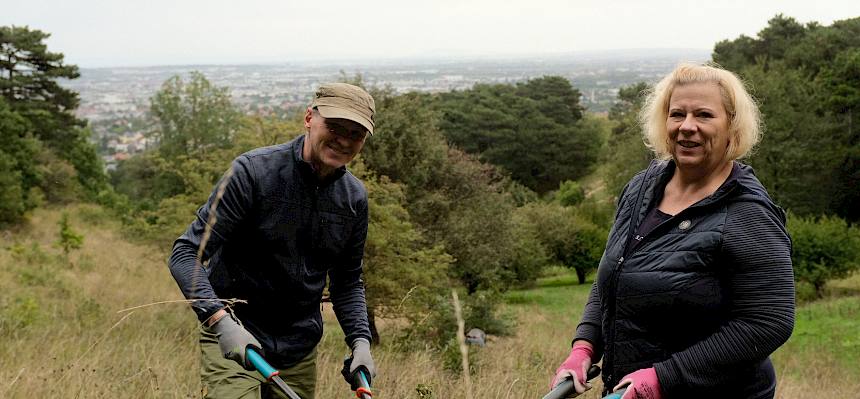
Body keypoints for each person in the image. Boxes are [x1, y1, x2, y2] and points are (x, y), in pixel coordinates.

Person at [550, 63, 795, 399]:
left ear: (732, 127)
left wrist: (664, 378)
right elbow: (615, 275)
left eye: (704, 115)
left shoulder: (747, 213)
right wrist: (584, 347)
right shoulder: (641, 189)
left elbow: (769, 321)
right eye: (677, 114)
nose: (687, 127)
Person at [168, 83, 377, 399]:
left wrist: (360, 341)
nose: (344, 140)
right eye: (335, 127)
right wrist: (219, 320)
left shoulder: (354, 199)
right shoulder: (253, 173)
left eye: (356, 134)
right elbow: (186, 253)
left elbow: (347, 283)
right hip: (236, 334)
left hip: (299, 347)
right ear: (309, 118)